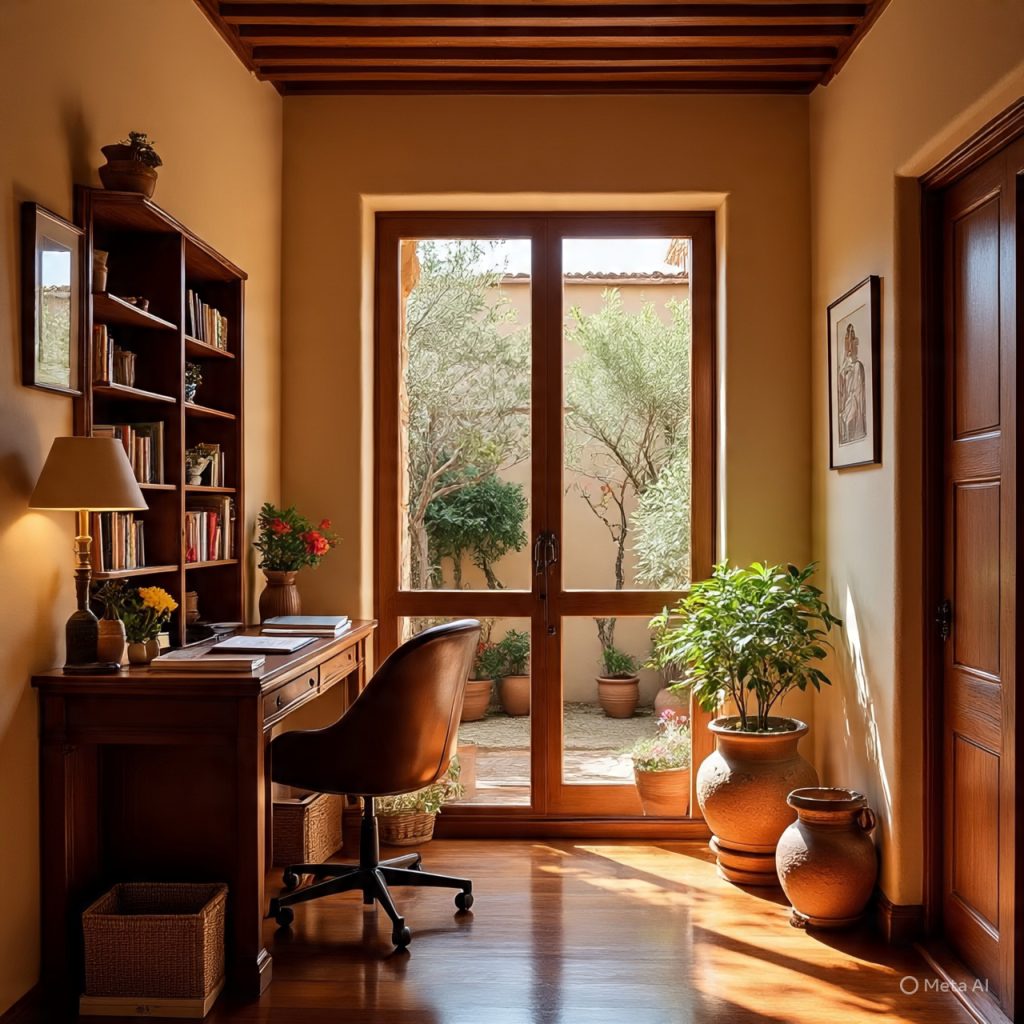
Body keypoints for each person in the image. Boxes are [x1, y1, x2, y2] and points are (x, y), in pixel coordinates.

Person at [837, 322, 867, 444]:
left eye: (852, 339)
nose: (849, 345)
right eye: (847, 340)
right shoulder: (843, 371)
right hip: (848, 405)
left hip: (854, 406)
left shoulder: (858, 367)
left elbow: (857, 396)